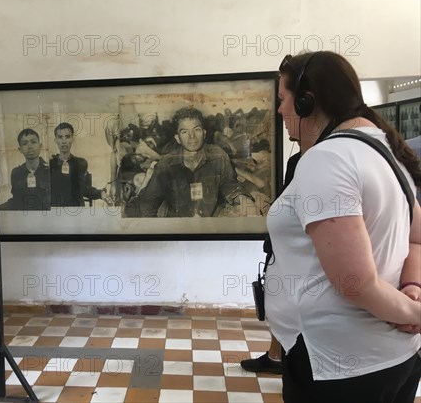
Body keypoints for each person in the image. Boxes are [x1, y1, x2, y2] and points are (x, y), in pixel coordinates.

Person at [266, 51, 421, 402]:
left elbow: (355, 283)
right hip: (391, 357)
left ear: (307, 101)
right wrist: (412, 285)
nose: (280, 111)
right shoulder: (383, 150)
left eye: (283, 99)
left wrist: (414, 312)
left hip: (339, 367)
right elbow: (417, 239)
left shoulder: (327, 159)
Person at [241, 146, 301, 375]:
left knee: (291, 303)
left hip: (298, 246)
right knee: (277, 299)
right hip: (283, 244)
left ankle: (289, 360)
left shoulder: (311, 159)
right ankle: (276, 356)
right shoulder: (297, 159)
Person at [125, 107, 243, 217]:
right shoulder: (166, 165)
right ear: (178, 138)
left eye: (196, 130)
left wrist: (243, 198)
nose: (192, 136)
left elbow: (229, 185)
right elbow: (149, 204)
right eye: (184, 132)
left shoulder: (218, 156)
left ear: (204, 133)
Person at [49, 122, 104, 207]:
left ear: (72, 139)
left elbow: (84, 189)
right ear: (55, 140)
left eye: (67, 137)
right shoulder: (50, 164)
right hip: (56, 212)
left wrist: (101, 193)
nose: (64, 141)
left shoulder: (80, 163)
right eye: (60, 137)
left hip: (76, 211)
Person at [1, 128, 51, 210]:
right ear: (20, 149)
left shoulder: (49, 171)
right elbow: (16, 201)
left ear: (40, 146)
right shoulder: (16, 173)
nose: (30, 146)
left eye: (33, 142)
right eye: (25, 143)